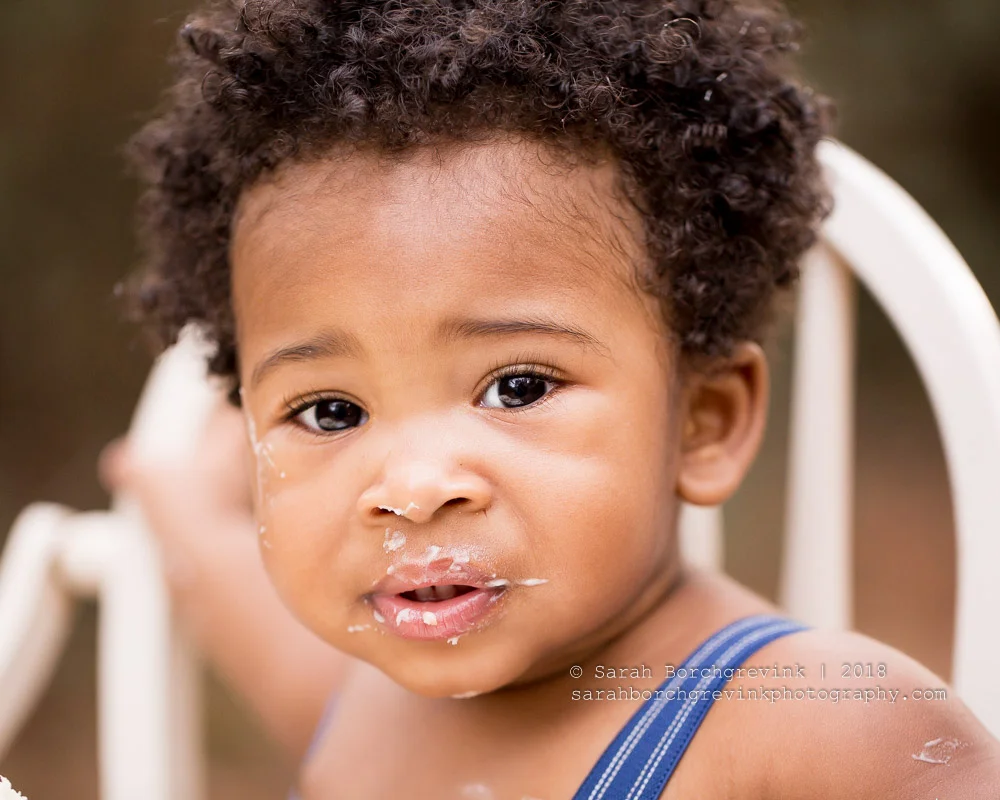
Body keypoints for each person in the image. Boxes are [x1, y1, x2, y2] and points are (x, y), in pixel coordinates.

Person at [100, 0, 1000, 797]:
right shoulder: (354, 711)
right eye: (330, 411)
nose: (411, 487)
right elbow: (219, 551)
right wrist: (173, 495)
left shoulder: (824, 725)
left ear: (704, 422)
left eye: (517, 387)